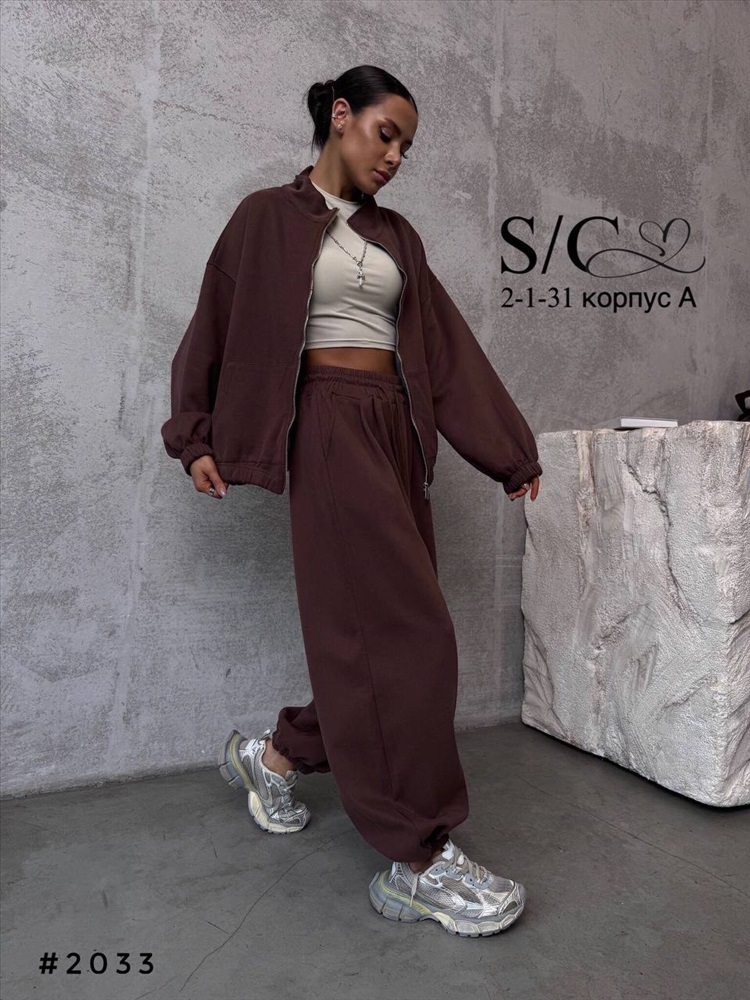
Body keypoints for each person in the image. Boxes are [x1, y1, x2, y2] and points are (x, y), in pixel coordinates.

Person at [162, 65, 542, 938]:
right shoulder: (266, 217)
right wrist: (196, 436)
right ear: (342, 116)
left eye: (407, 144)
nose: (396, 155)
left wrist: (506, 453)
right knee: (408, 636)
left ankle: (273, 758)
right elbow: (212, 325)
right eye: (386, 132)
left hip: (395, 434)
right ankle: (416, 860)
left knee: (372, 641)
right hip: (326, 425)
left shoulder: (397, 236)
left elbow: (446, 352)